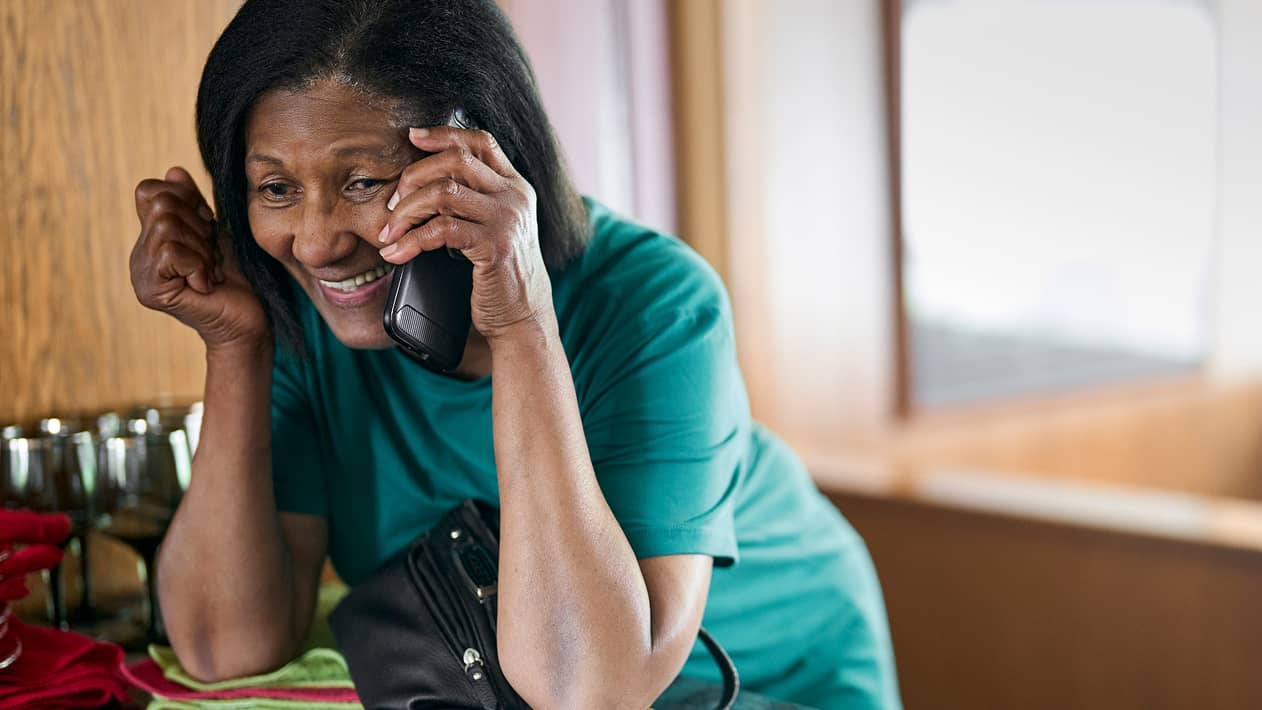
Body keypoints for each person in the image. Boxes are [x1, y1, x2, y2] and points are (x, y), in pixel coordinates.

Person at [128, 1, 900, 708]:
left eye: (362, 180)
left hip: (770, 680)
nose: (317, 240)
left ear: (477, 158)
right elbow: (220, 646)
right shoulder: (308, 313)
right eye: (276, 190)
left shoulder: (656, 304)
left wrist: (523, 321)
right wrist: (235, 345)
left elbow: (591, 690)